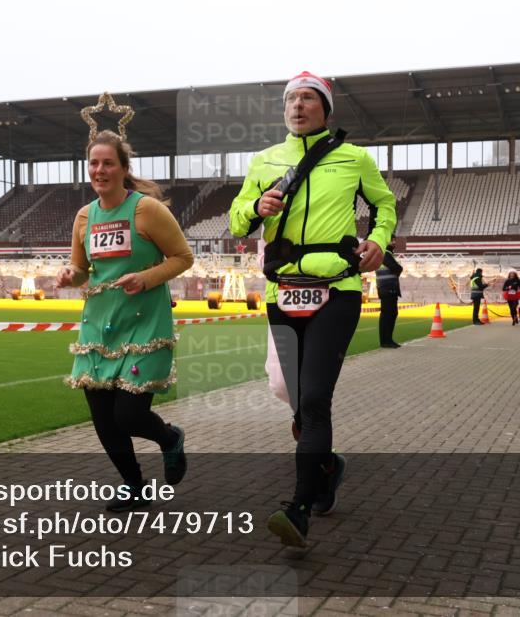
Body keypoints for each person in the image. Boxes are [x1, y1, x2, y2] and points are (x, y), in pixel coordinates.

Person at [229, 71, 396, 547]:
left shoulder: (354, 158)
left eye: (307, 98)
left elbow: (385, 207)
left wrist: (379, 242)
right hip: (282, 292)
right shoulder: (265, 160)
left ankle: (299, 507)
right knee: (288, 391)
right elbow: (237, 217)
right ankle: (328, 464)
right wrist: (255, 208)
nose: (297, 106)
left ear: (325, 108)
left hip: (337, 290)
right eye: (290, 99)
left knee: (315, 397)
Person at [57, 129, 194, 511]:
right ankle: (134, 486)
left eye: (107, 163)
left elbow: (183, 257)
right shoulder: (84, 216)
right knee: (103, 419)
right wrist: (72, 276)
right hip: (99, 326)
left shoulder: (146, 210)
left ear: (123, 168)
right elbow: (84, 269)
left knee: (129, 415)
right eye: (94, 163)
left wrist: (145, 278)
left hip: (144, 322)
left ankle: (169, 439)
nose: (99, 170)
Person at [376, 243, 403, 348]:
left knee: (388, 314)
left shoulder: (384, 253)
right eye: (393, 240)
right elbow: (396, 268)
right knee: (388, 315)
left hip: (386, 289)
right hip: (388, 288)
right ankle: (386, 341)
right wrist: (399, 268)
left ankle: (387, 340)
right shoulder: (385, 253)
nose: (395, 243)